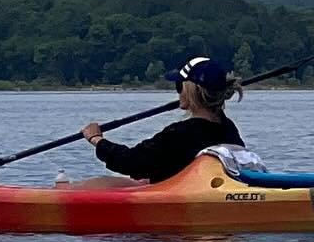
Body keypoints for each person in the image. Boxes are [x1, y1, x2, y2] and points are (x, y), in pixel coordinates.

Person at [81, 56, 245, 184]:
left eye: (179, 86)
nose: (178, 93)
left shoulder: (180, 133)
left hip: (183, 199)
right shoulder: (228, 128)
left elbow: (131, 162)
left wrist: (97, 140)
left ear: (190, 91)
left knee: (100, 183)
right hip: (200, 189)